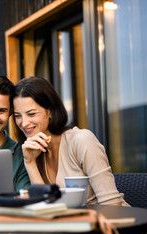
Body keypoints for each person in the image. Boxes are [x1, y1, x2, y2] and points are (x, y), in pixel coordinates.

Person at [12, 76, 128, 205]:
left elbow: (112, 204)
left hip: (110, 221)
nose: (24, 123)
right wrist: (30, 162)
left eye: (31, 114)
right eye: (18, 116)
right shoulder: (35, 152)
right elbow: (44, 206)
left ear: (50, 111)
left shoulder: (81, 140)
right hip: (70, 224)